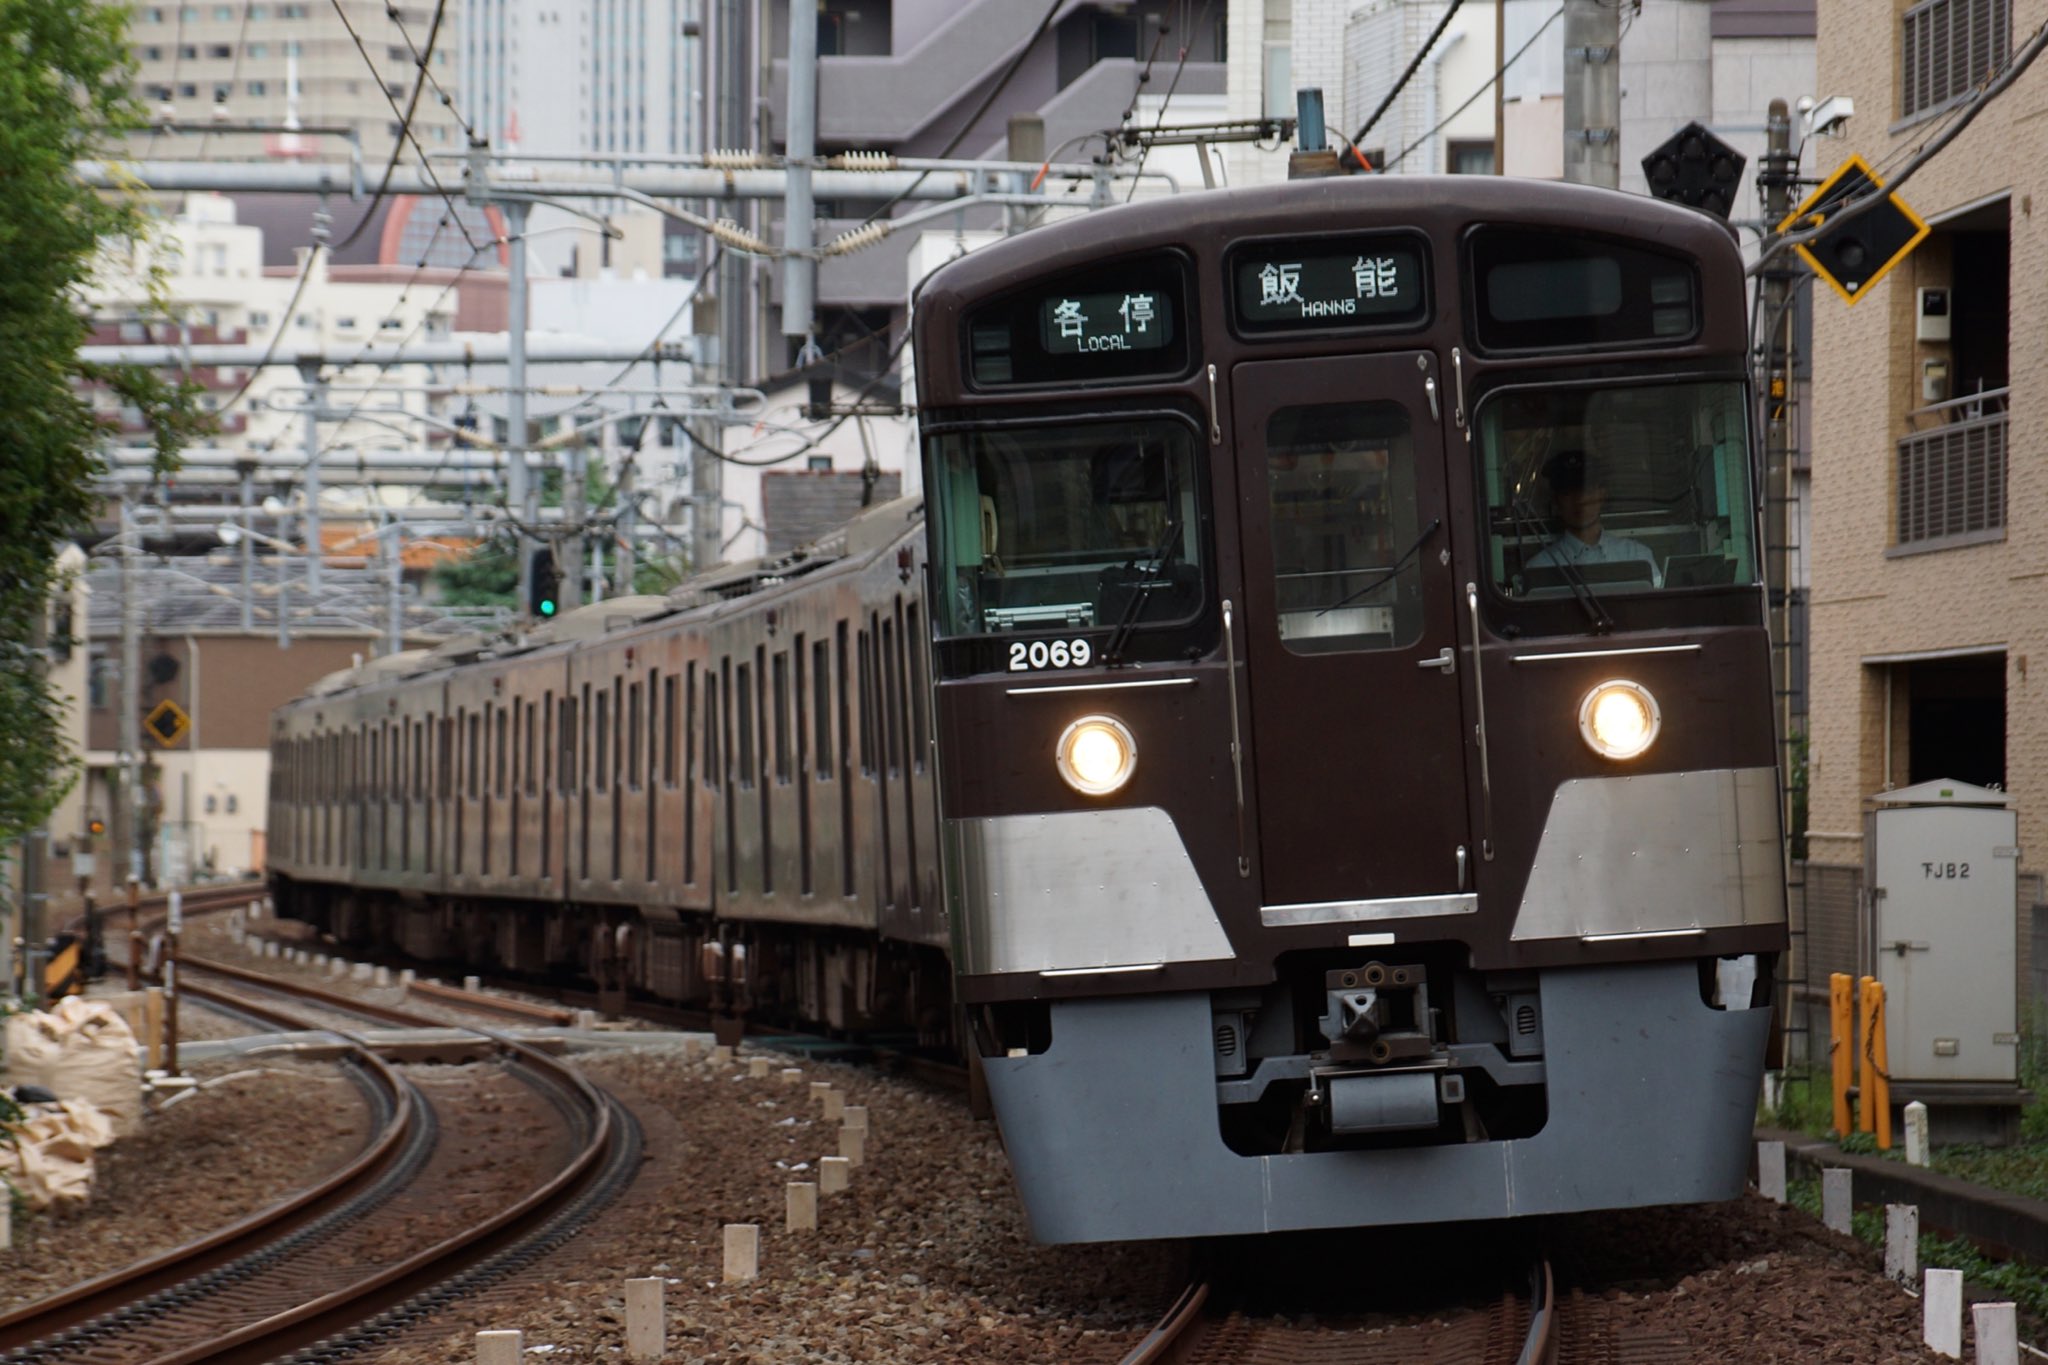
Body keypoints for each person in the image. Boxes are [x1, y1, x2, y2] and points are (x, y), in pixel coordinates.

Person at [1525, 448, 1662, 587]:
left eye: (1587, 490)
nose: (1580, 500)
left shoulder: (1637, 556)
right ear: (1556, 501)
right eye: (1568, 493)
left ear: (1602, 495)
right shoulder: (1539, 568)